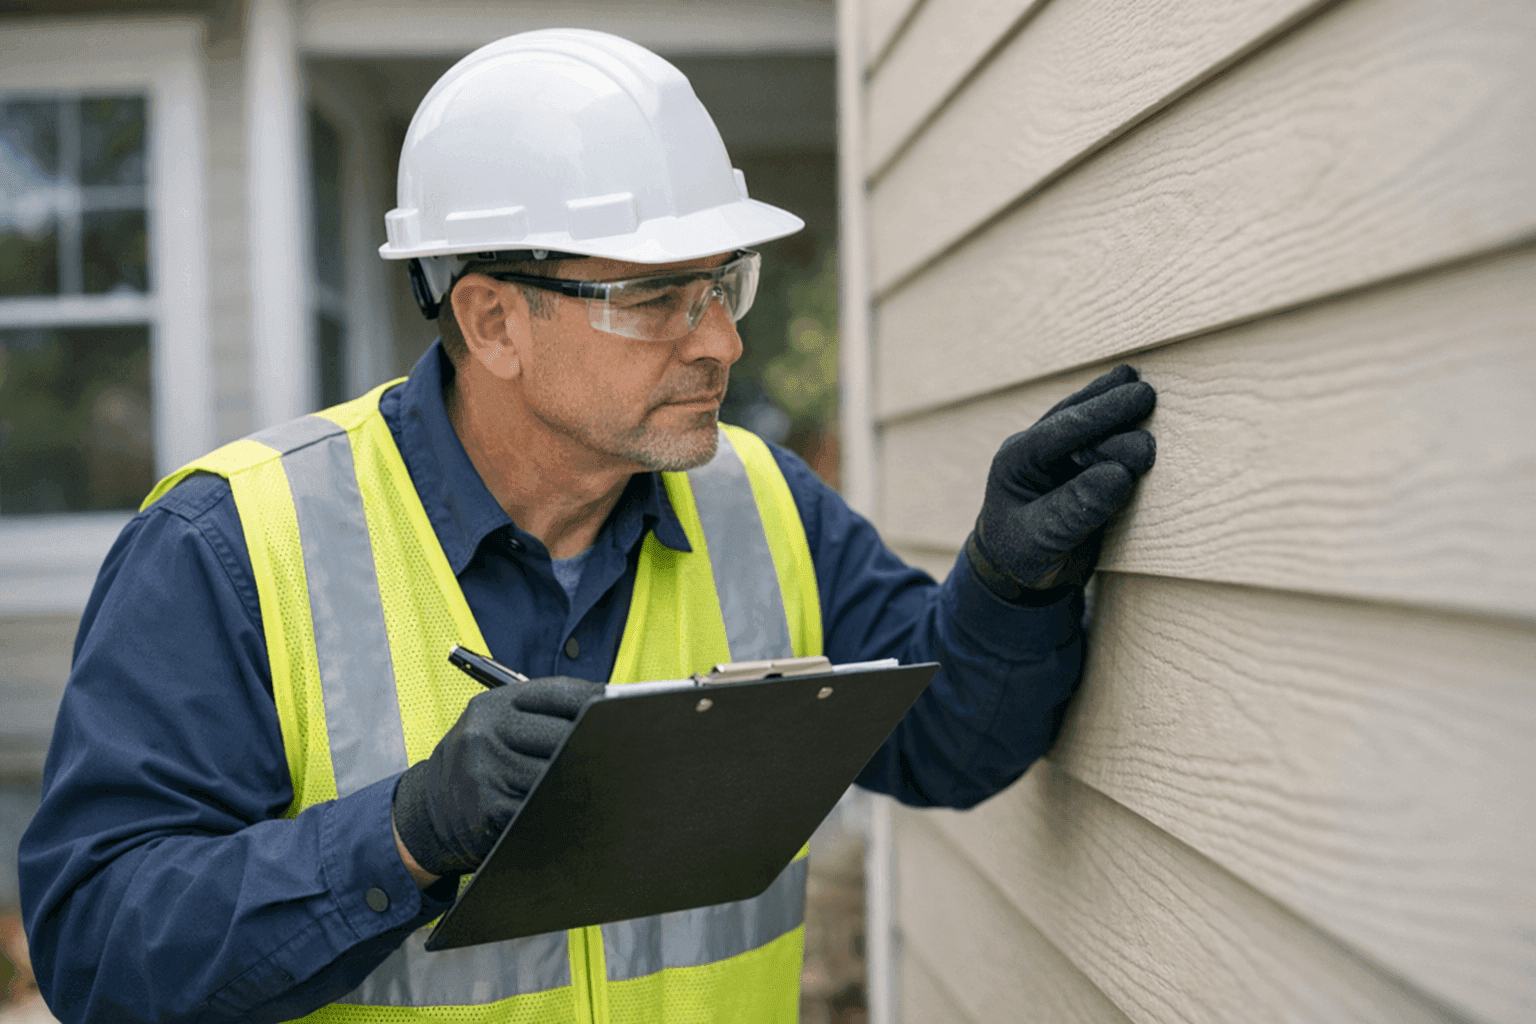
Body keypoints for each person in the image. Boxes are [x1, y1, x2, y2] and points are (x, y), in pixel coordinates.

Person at [18, 28, 1156, 1024]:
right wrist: (405, 834)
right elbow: (99, 951)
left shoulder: (761, 502)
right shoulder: (230, 545)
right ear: (492, 321)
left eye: (725, 284)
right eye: (657, 298)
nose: (722, 342)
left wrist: (1009, 587)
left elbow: (949, 743)